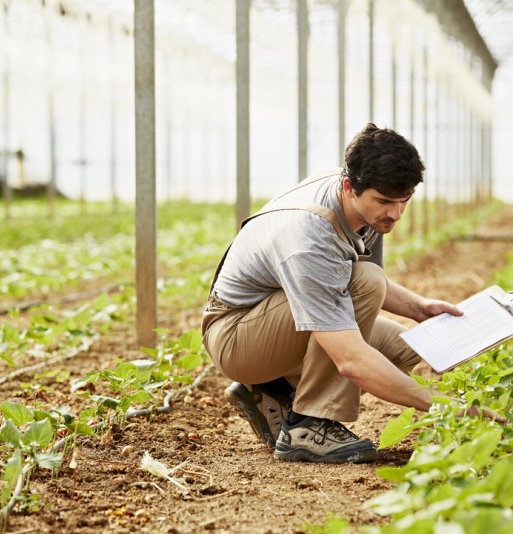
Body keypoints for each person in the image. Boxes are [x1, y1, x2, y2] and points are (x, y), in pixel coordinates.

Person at [201, 123, 471, 464]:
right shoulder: (311, 237)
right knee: (368, 286)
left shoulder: (361, 204)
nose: (396, 213)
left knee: (402, 348)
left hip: (270, 322)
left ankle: (275, 392)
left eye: (405, 201)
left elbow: (348, 276)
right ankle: (308, 427)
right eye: (385, 201)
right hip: (237, 335)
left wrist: (418, 307)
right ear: (349, 186)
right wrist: (444, 405)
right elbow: (352, 358)